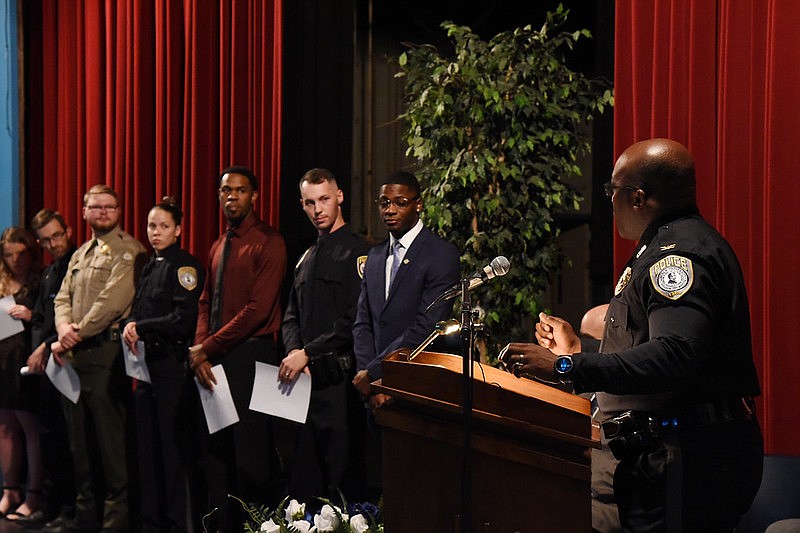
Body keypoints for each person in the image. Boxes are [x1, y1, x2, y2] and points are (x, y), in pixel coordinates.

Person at [502, 138, 763, 531]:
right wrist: (580, 348)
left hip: (684, 457)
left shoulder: (678, 257)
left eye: (612, 191)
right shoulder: (663, 245)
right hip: (669, 452)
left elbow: (675, 354)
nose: (610, 200)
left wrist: (567, 366)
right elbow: (647, 345)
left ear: (638, 197)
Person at [189, 166, 286, 532]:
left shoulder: (269, 241)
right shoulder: (218, 244)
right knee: (218, 458)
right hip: (216, 360)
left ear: (254, 196)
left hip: (252, 357)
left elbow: (257, 311)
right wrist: (201, 347)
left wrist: (205, 347)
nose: (232, 196)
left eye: (241, 190)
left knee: (252, 460)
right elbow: (204, 301)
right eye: (226, 190)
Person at [52, 184, 147, 532]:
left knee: (111, 447)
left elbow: (112, 301)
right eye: (96, 207)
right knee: (80, 446)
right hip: (74, 357)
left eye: (110, 207)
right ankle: (85, 518)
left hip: (105, 356)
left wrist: (76, 331)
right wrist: (63, 328)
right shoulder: (80, 254)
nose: (103, 212)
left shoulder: (129, 251)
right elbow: (62, 297)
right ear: (84, 212)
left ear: (119, 211)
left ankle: (114, 523)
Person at [279, 168, 370, 503]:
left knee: (342, 484)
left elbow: (354, 318)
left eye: (324, 200)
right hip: (303, 384)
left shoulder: (359, 253)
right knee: (303, 484)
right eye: (309, 202)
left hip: (338, 384)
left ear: (340, 197)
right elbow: (290, 315)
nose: (318, 209)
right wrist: (294, 352)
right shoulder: (306, 256)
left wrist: (308, 352)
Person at [122, 197, 204, 533]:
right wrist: (132, 323)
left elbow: (182, 320)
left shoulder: (183, 266)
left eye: (164, 226)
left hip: (170, 367)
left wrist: (142, 327)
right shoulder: (151, 264)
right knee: (147, 452)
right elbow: (141, 309)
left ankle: (173, 523)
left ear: (179, 230)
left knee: (170, 453)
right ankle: (150, 522)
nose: (156, 232)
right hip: (145, 368)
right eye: (152, 226)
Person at [352, 171, 461, 413]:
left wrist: (374, 373)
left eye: (400, 203)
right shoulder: (375, 256)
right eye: (384, 203)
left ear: (418, 204)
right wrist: (367, 380)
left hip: (418, 385)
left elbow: (426, 326)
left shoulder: (441, 254)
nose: (390, 210)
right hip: (372, 392)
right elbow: (363, 323)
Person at [24, 209, 78, 529]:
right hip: (44, 366)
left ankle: (71, 508)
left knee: (68, 438)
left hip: (66, 362)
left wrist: (45, 345)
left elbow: (71, 315)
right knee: (48, 436)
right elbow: (43, 315)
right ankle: (52, 503)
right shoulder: (48, 271)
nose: (54, 243)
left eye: (58, 235)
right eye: (46, 240)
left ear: (68, 230)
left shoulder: (76, 262)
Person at [0, 228, 43, 521]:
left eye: (21, 254)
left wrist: (30, 315)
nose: (16, 260)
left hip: (27, 359)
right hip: (2, 358)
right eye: (9, 255)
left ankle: (34, 494)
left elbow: (50, 317)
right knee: (5, 427)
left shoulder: (40, 281)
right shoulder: (1, 282)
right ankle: (10, 490)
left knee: (30, 427)